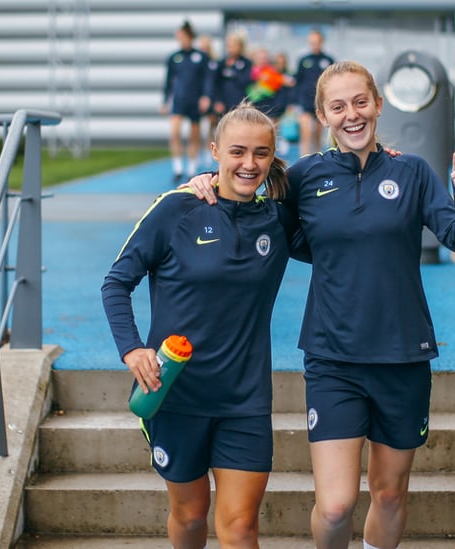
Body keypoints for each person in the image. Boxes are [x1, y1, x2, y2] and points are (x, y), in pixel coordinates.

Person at [186, 60, 455, 549]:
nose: (352, 114)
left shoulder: (413, 172)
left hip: (403, 357)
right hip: (332, 358)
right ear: (322, 115)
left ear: (379, 105)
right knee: (337, 504)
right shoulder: (303, 177)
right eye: (338, 106)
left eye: (360, 102)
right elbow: (248, 195)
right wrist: (201, 183)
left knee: (388, 496)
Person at [101, 103, 301, 549]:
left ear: (272, 157)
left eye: (261, 153)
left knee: (240, 528)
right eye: (237, 151)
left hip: (244, 400)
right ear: (214, 151)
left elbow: (337, 193)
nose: (249, 164)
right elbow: (116, 282)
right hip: (175, 395)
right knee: (190, 518)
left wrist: (380, 156)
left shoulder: (279, 217)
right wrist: (132, 349)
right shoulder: (177, 210)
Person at [161, 20, 212, 183]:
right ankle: (177, 167)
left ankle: (191, 167)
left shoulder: (201, 57)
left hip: (195, 101)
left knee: (194, 134)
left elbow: (207, 80)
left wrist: (206, 96)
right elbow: (169, 81)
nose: (180, 39)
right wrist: (165, 101)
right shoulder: (174, 57)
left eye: (182, 36)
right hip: (179, 100)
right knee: (174, 132)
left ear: (189, 36)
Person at [293, 28, 334, 156]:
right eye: (312, 42)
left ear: (321, 42)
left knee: (317, 135)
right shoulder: (304, 60)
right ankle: (303, 160)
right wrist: (294, 102)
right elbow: (297, 81)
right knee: (306, 133)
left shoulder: (328, 60)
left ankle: (316, 161)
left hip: (321, 102)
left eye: (317, 42)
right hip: (305, 102)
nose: (315, 44)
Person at [197, 34, 220, 168]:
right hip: (200, 98)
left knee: (211, 127)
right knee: (200, 128)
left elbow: (216, 83)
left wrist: (216, 100)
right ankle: (201, 152)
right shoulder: (199, 62)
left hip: (212, 97)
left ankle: (209, 152)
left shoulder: (214, 62)